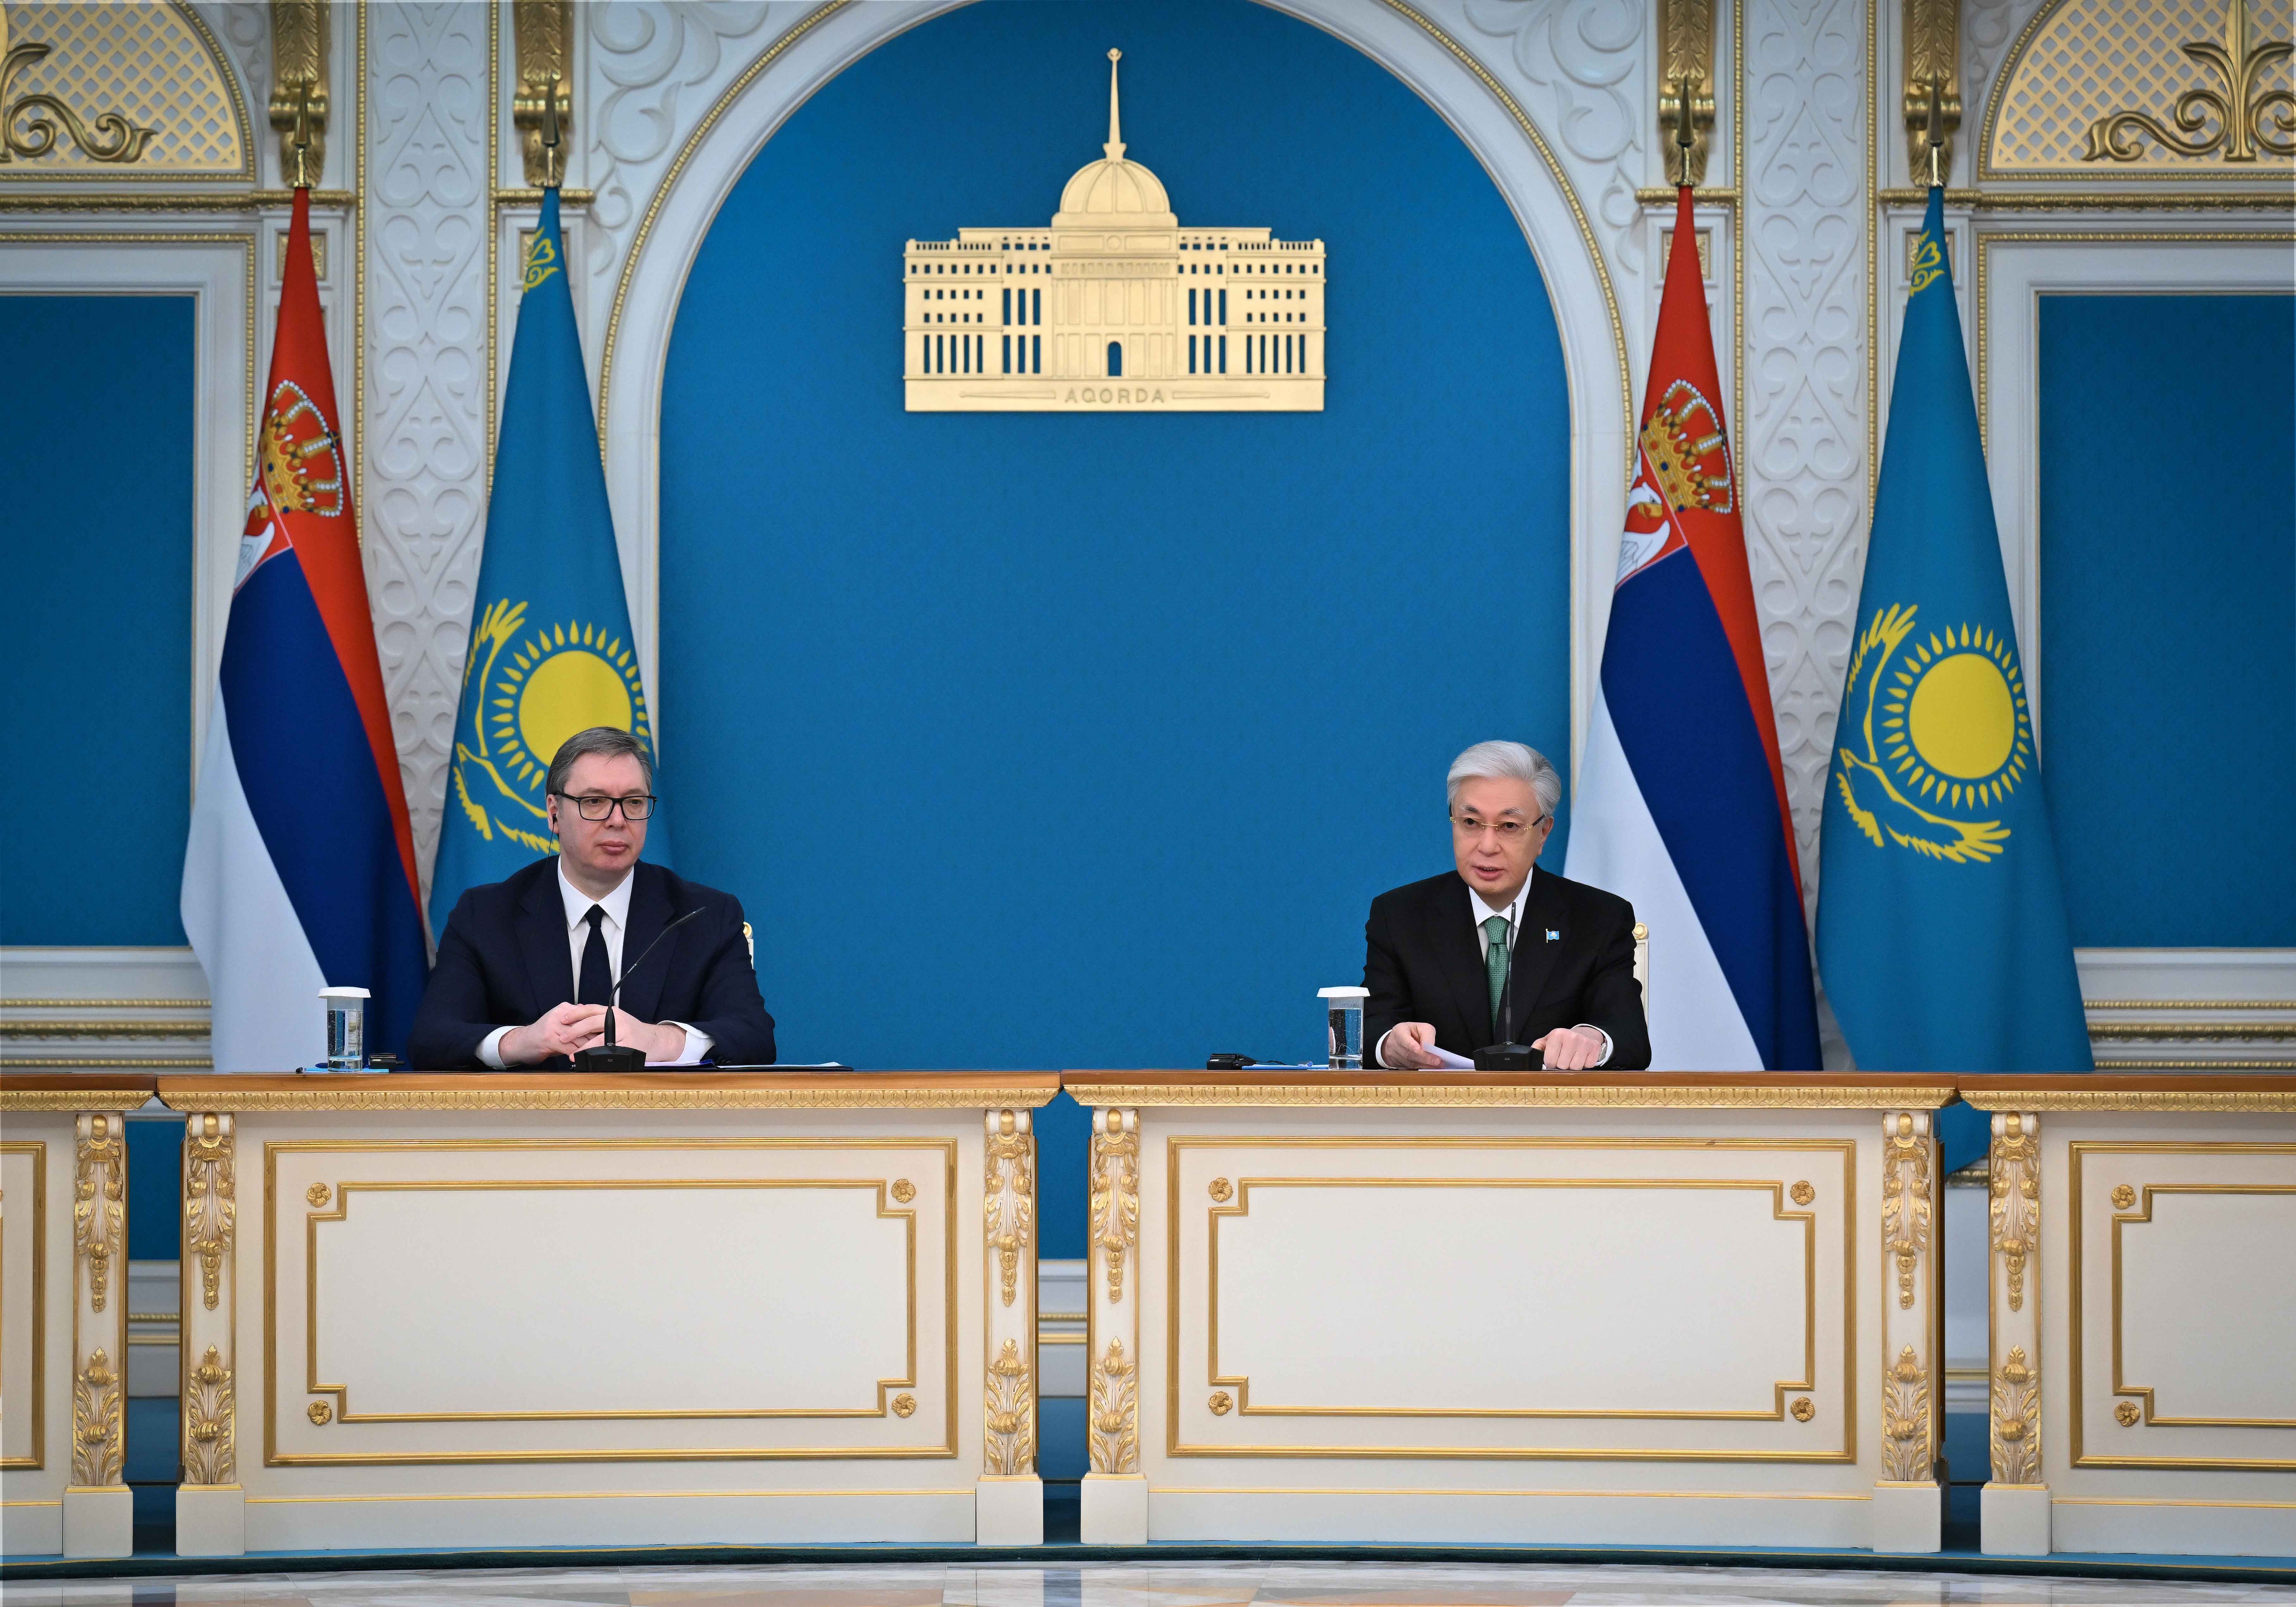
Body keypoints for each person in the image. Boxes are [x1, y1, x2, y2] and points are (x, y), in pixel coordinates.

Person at [408, 726, 775, 1068]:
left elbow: (754, 1037)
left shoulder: (705, 915)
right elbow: (431, 1038)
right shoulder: (486, 916)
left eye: (634, 802)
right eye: (596, 801)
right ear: (554, 813)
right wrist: (520, 1041)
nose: (618, 819)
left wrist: (660, 1040)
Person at [1365, 740, 1649, 1071]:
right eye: (1470, 822)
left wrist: (1593, 1039)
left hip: (1552, 1104)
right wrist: (1391, 1044)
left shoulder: (1598, 918)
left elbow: (1629, 1037)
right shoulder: (1400, 915)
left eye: (1509, 826)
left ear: (1543, 833)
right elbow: (1371, 1027)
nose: (1487, 846)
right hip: (1439, 1104)